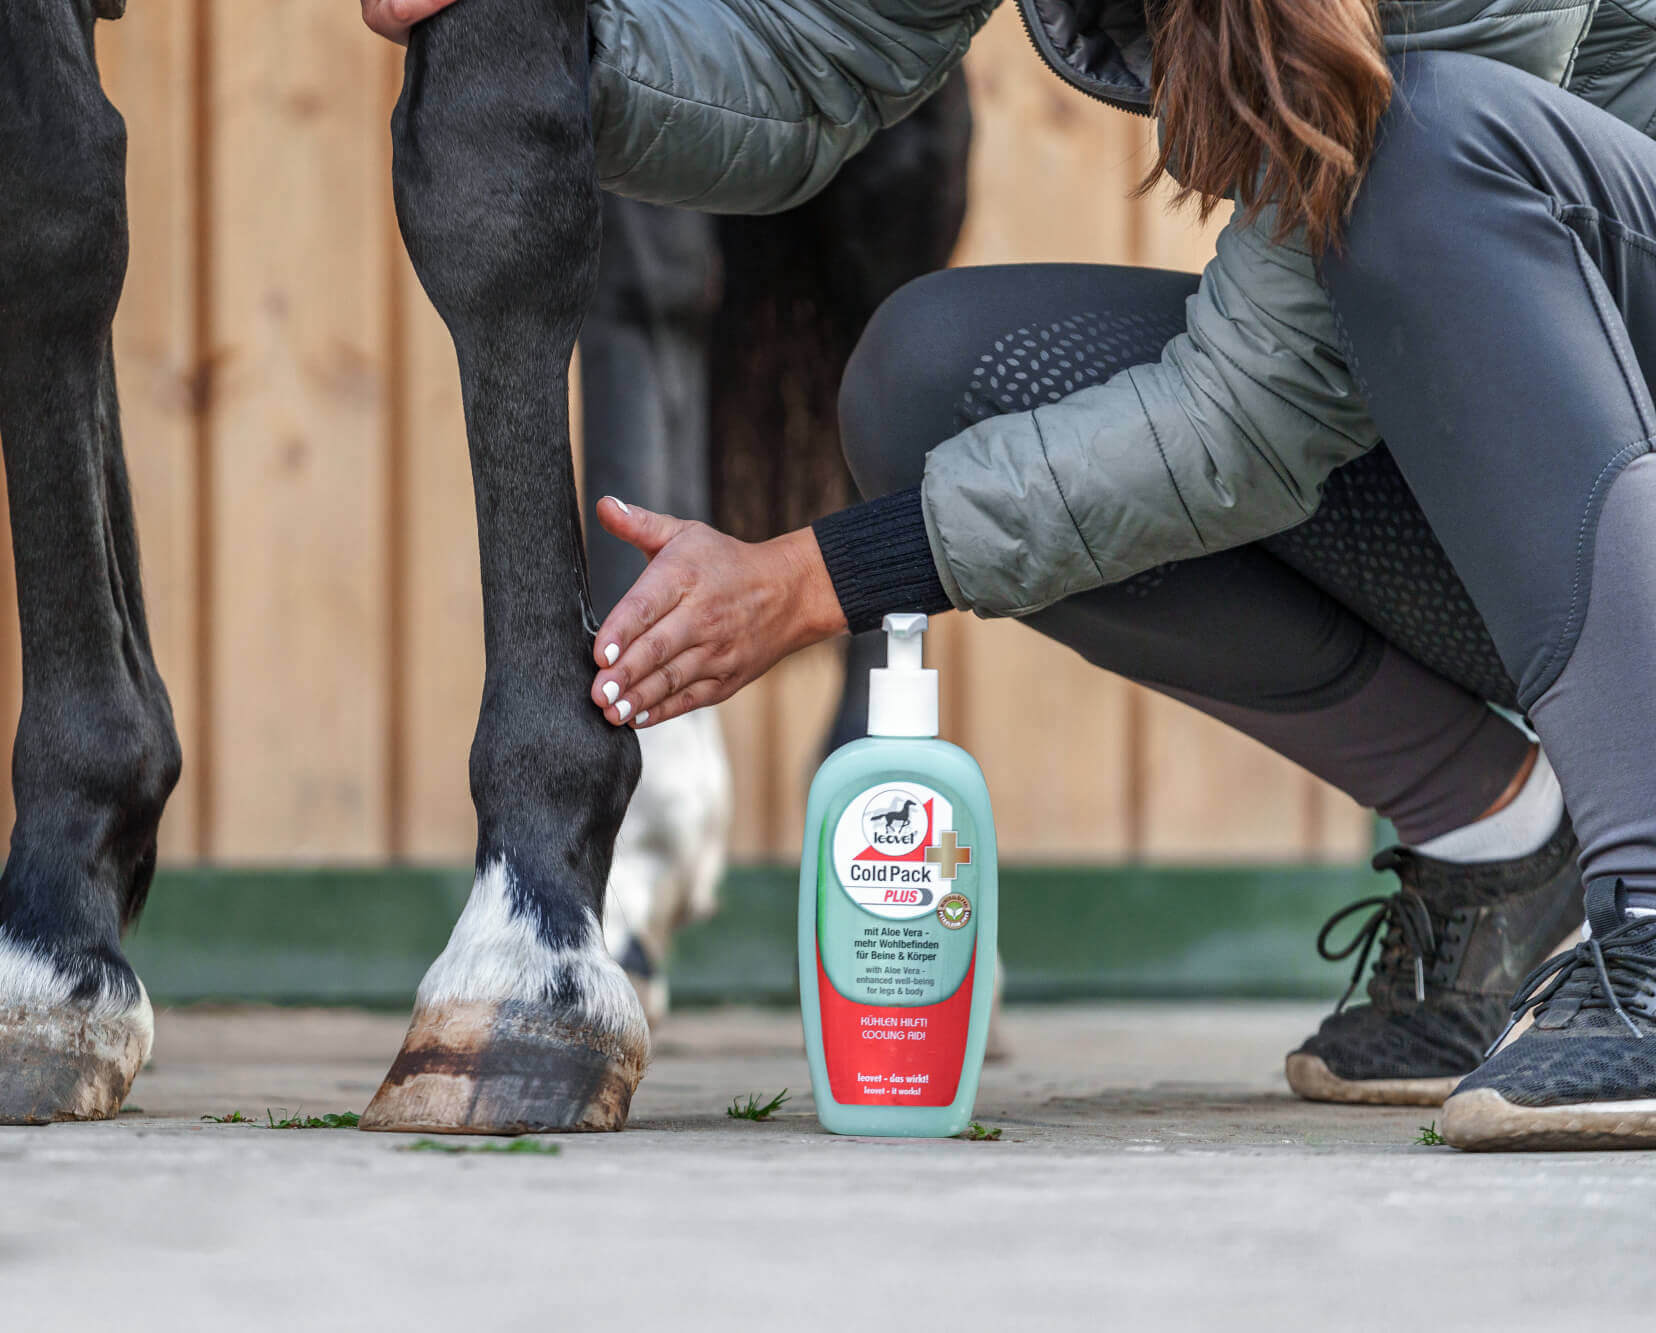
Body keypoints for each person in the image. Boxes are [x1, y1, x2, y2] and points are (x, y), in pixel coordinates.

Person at [366, 0, 1656, 1150]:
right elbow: (814, 56)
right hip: (1543, 472)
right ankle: (1498, 844)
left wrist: (821, 575)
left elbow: (1255, 413)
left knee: (1426, 143)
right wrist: (548, 41)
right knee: (940, 385)